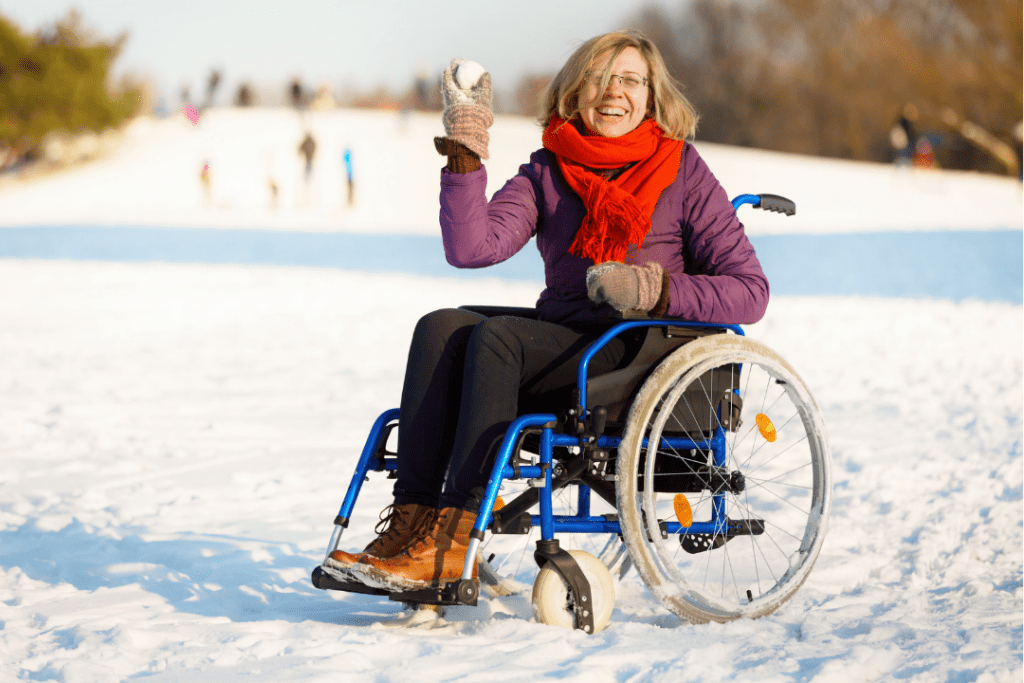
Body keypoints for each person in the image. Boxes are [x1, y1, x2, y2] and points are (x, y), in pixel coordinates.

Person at [325, 30, 769, 592]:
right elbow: (471, 248)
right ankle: (412, 525)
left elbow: (749, 291)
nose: (614, 92)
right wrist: (466, 151)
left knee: (499, 338)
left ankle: (453, 542)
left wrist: (653, 289)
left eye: (631, 80)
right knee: (441, 326)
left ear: (652, 96)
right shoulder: (548, 169)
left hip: (640, 356)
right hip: (563, 348)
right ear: (573, 91)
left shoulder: (682, 171)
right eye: (598, 78)